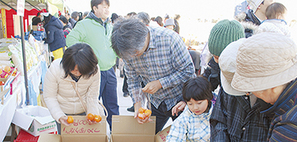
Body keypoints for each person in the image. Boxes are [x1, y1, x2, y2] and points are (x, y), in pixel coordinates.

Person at [111, 18, 195, 133]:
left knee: (185, 138)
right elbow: (132, 80)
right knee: (149, 140)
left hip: (180, 99)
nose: (133, 57)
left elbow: (188, 71)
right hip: (156, 102)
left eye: (135, 53)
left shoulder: (169, 39)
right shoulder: (128, 52)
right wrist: (138, 105)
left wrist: (160, 83)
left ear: (143, 38)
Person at [66, 0, 119, 129]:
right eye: (104, 7)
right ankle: (90, 133)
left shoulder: (110, 25)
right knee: (91, 104)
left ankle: (116, 134)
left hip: (110, 70)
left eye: (108, 7)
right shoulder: (84, 24)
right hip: (93, 72)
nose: (107, 10)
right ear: (95, 8)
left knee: (112, 105)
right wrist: (86, 58)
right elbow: (70, 40)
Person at [43, 43, 103, 132]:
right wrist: (59, 115)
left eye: (82, 71)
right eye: (74, 70)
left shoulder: (93, 70)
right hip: (64, 113)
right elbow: (50, 97)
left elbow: (92, 96)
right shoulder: (55, 69)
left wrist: (92, 114)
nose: (78, 73)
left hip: (84, 111)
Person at [166, 76, 213, 142]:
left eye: (199, 103)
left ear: (208, 98)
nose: (195, 108)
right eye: (190, 104)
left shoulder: (217, 112)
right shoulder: (186, 117)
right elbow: (174, 138)